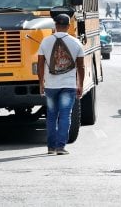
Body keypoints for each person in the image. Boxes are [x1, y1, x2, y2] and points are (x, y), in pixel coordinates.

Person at [37, 13, 85, 155]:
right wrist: (80, 84)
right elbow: (81, 66)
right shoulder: (76, 43)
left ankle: (51, 148)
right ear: (69, 26)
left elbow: (40, 64)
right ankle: (60, 147)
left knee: (51, 116)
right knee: (65, 115)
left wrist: (41, 82)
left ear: (55, 26)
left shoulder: (45, 42)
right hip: (68, 85)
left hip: (51, 85)